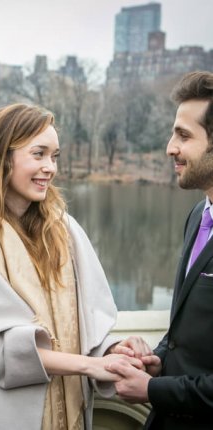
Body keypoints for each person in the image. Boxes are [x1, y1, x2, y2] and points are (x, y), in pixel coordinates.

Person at [0, 103, 152, 429]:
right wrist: (87, 365)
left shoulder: (64, 229)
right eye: (38, 154)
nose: (50, 167)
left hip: (71, 408)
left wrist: (114, 348)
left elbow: (87, 325)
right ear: (1, 156)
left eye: (54, 156)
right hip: (1, 414)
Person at [106, 71, 213, 429]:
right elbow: (188, 329)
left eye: (183, 135)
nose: (170, 147)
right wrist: (159, 359)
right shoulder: (198, 215)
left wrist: (154, 389)